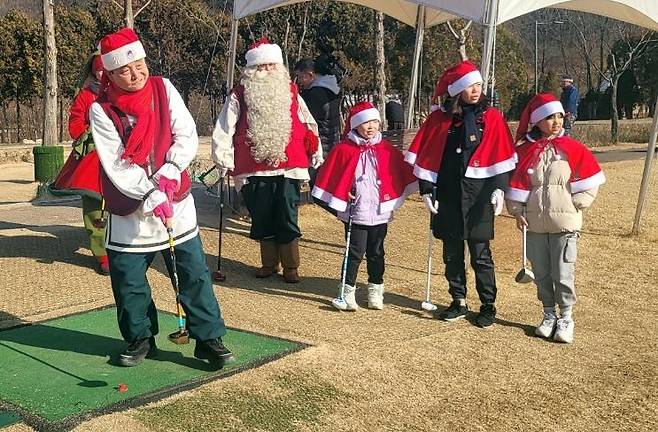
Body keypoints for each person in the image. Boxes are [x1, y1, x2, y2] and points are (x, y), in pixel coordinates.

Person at [89, 28, 233, 367]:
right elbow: (115, 162)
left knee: (194, 272)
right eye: (124, 70)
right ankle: (140, 338)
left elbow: (185, 134)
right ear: (109, 73)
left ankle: (208, 337)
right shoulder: (101, 110)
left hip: (177, 204)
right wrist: (151, 193)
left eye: (139, 64)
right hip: (131, 209)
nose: (135, 73)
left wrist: (169, 173)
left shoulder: (163, 88)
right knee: (129, 281)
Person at [405, 60, 516, 328]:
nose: (476, 90)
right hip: (449, 194)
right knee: (452, 253)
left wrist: (500, 189)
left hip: (480, 197)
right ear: (457, 90)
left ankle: (488, 304)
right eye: (469, 86)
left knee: (480, 254)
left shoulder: (492, 118)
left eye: (478, 85)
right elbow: (428, 157)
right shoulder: (439, 120)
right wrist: (427, 190)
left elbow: (500, 155)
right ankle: (458, 300)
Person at [212, 38, 322, 283]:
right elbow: (224, 126)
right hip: (253, 167)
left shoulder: (292, 92)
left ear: (279, 67)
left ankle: (291, 265)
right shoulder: (239, 94)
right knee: (261, 214)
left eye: (271, 66)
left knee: (286, 213)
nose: (266, 71)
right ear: (251, 70)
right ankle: (268, 263)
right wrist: (223, 156)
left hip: (289, 165)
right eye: (261, 67)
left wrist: (314, 149)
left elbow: (308, 122)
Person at [506, 93, 605, 344]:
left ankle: (566, 318)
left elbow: (590, 179)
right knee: (541, 273)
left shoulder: (572, 149)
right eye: (550, 117)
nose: (556, 121)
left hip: (565, 224)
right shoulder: (526, 151)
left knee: (563, 273)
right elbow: (517, 184)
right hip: (535, 224)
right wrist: (517, 211)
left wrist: (577, 204)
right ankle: (548, 314)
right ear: (538, 121)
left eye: (560, 116)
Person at [312, 102, 417, 310]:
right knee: (355, 251)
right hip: (356, 211)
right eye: (365, 122)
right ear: (355, 125)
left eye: (374, 122)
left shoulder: (386, 149)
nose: (370, 126)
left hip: (380, 211)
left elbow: (398, 171)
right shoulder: (344, 149)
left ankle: (375, 290)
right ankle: (347, 290)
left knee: (377, 252)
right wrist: (344, 191)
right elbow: (334, 177)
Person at [54, 53, 109, 275]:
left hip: (121, 157)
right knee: (95, 206)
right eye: (100, 70)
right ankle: (102, 253)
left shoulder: (123, 93)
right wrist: (87, 133)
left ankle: (122, 247)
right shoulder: (86, 96)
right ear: (94, 72)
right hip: (92, 158)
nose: (104, 74)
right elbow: (75, 122)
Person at [294, 56, 342, 156]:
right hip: (332, 144)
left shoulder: (314, 94)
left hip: (320, 149)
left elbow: (303, 120)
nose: (299, 81)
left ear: (310, 75)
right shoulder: (331, 90)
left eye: (299, 76)